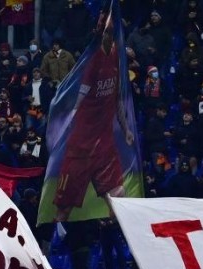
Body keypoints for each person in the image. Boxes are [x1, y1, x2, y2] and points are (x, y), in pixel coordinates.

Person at [52, 10, 134, 222]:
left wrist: (126, 131)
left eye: (106, 24)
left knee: (118, 197)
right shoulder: (94, 58)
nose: (103, 28)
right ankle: (50, 247)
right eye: (100, 24)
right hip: (81, 146)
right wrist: (71, 116)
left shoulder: (117, 58)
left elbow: (116, 100)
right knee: (63, 210)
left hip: (104, 145)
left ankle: (115, 241)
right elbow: (82, 94)